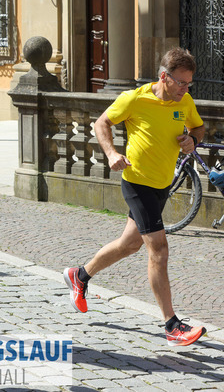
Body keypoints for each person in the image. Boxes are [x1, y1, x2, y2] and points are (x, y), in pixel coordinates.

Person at [63, 47, 206, 347]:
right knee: (159, 249)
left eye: (189, 83)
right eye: (181, 82)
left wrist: (192, 139)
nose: (185, 88)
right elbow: (101, 123)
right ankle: (172, 326)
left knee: (129, 244)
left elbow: (198, 126)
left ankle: (80, 275)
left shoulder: (185, 101)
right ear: (164, 77)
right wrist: (111, 153)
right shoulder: (134, 99)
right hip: (137, 183)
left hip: (162, 185)